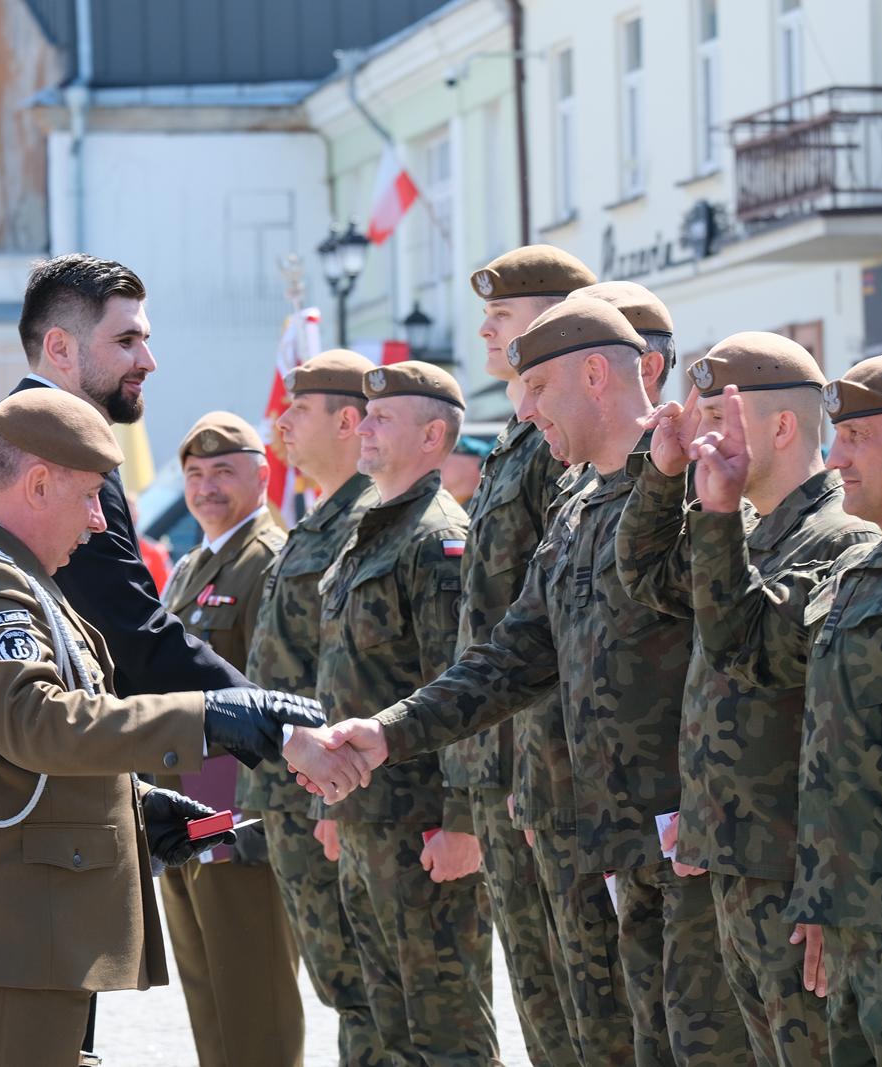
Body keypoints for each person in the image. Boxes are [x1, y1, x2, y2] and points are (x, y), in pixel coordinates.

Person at [0, 387, 359, 1067]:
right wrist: (207, 714)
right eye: (92, 496)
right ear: (38, 484)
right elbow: (37, 723)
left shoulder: (0, 571)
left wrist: (134, 807)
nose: (99, 521)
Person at [305, 299, 752, 1067]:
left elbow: (742, 653)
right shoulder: (575, 504)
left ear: (595, 373)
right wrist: (387, 732)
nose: (524, 409)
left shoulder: (691, 486)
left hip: (690, 850)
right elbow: (511, 655)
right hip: (601, 843)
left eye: (539, 387)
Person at [690, 353, 882, 1067]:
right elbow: (750, 653)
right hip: (854, 915)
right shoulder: (863, 565)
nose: (835, 458)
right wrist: (719, 514)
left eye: (856, 437)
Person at [615, 332, 879, 1066]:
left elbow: (758, 659)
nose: (700, 437)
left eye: (716, 420)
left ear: (783, 426)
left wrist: (824, 886)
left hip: (791, 868)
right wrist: (665, 475)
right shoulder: (746, 529)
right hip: (733, 857)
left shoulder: (841, 539)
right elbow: (645, 577)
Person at [0, 254, 249, 699]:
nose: (148, 361)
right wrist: (272, 716)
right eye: (126, 341)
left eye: (145, 340)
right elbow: (131, 633)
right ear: (59, 348)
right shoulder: (65, 455)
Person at [313, 360, 498, 1066]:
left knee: (446, 1030)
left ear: (432, 437)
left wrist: (463, 820)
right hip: (366, 813)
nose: (364, 426)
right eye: (365, 414)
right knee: (388, 1026)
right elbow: (343, 680)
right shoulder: (370, 531)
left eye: (383, 417)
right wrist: (332, 802)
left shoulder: (438, 539)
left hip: (421, 824)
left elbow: (464, 686)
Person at [450, 246, 589, 1067]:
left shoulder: (552, 444)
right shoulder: (517, 440)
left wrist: (532, 769)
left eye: (501, 315)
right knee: (540, 997)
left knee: (578, 1005)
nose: (485, 330)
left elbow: (558, 629)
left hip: (544, 764)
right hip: (504, 764)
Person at [244, 350, 386, 1066]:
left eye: (299, 410)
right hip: (292, 788)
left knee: (366, 985)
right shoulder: (317, 519)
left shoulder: (365, 519)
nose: (282, 422)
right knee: (341, 982)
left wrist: (336, 800)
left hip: (330, 789)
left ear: (349, 421)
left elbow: (358, 673)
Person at [157, 411, 303, 1067]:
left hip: (239, 814)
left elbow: (281, 693)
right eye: (194, 474)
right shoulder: (193, 564)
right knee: (209, 995)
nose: (206, 487)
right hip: (186, 809)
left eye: (222, 471)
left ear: (262, 474)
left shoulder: (270, 560)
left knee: (253, 998)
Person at [440, 435, 491, 506]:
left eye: (445, 463)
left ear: (474, 466)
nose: (438, 467)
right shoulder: (442, 504)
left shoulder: (487, 505)